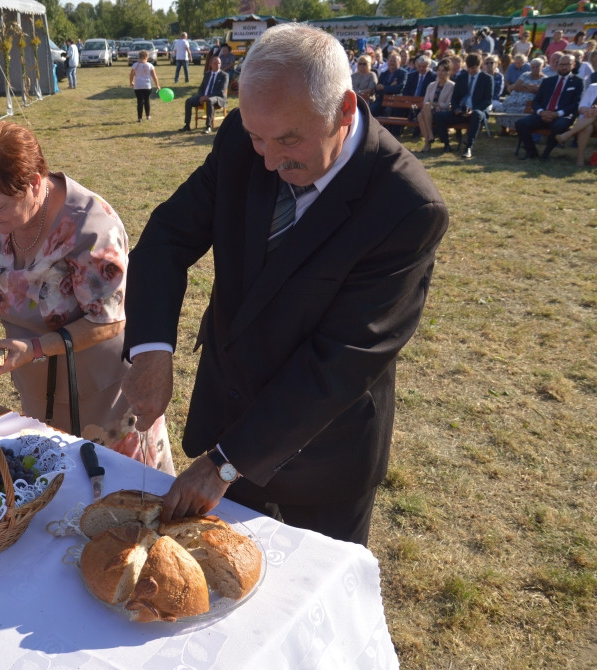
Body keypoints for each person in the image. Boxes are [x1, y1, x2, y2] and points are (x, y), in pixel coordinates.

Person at [121, 24, 448, 546]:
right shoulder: (242, 141)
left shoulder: (405, 206)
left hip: (321, 455)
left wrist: (226, 463)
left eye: (289, 140)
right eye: (257, 137)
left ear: (344, 109)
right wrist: (152, 349)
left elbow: (342, 360)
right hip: (227, 415)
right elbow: (166, 238)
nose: (269, 161)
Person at [0, 121, 174, 473]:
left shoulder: (90, 229)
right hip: (37, 384)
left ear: (35, 183)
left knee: (116, 491)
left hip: (100, 392)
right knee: (55, 482)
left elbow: (109, 322)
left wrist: (34, 348)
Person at [516, 53, 585, 160]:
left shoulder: (578, 82)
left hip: (563, 115)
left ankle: (546, 153)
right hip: (543, 114)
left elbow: (576, 104)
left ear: (574, 65)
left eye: (567, 64)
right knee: (520, 123)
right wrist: (541, 112)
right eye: (561, 64)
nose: (563, 67)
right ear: (557, 65)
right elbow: (536, 101)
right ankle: (531, 151)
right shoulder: (548, 81)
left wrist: (557, 114)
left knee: (558, 126)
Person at [431, 52, 493, 159]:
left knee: (476, 115)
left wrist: (473, 110)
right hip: (461, 110)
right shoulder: (461, 78)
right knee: (439, 116)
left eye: (474, 68)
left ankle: (468, 147)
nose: (471, 70)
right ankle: (446, 144)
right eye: (469, 67)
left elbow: (487, 100)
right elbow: (454, 98)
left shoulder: (487, 79)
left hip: (476, 111)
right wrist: (456, 109)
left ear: (480, 65)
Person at [181, 56, 229, 134]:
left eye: (219, 63)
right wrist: (201, 97)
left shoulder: (224, 75)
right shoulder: (207, 74)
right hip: (204, 97)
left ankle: (208, 126)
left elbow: (221, 91)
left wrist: (207, 97)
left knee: (209, 101)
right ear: (211, 64)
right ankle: (187, 125)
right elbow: (201, 88)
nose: (218, 64)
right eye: (215, 63)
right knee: (188, 101)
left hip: (218, 98)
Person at [555, 80, 597, 165]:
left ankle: (568, 134)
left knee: (595, 113)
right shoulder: (593, 87)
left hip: (590, 119)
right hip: (589, 120)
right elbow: (582, 106)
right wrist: (588, 111)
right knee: (587, 127)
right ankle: (580, 159)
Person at [418, 59, 455, 153]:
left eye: (443, 70)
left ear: (448, 72)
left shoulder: (452, 86)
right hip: (429, 110)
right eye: (439, 70)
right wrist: (431, 105)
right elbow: (425, 101)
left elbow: (448, 104)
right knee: (423, 110)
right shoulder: (431, 85)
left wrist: (436, 105)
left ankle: (428, 142)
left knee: (421, 114)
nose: (440, 73)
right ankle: (429, 137)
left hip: (441, 112)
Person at [129, 50, 159, 122]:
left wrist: (131, 82)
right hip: (147, 86)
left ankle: (139, 118)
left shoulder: (135, 65)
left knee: (140, 101)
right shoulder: (150, 65)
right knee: (146, 100)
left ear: (139, 57)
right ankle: (148, 116)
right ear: (147, 57)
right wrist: (157, 85)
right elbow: (154, 76)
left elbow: (131, 74)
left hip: (138, 86)